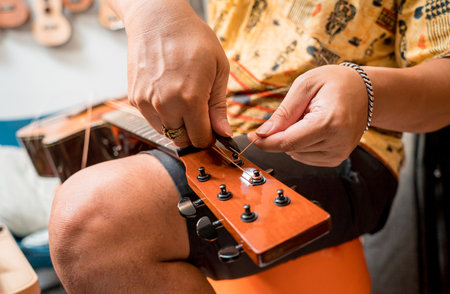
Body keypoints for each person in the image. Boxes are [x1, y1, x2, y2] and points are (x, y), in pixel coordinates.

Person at [48, 0, 450, 292]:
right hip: (218, 118)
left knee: (89, 220)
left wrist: (366, 90)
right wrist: (151, 12)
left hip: (342, 143)